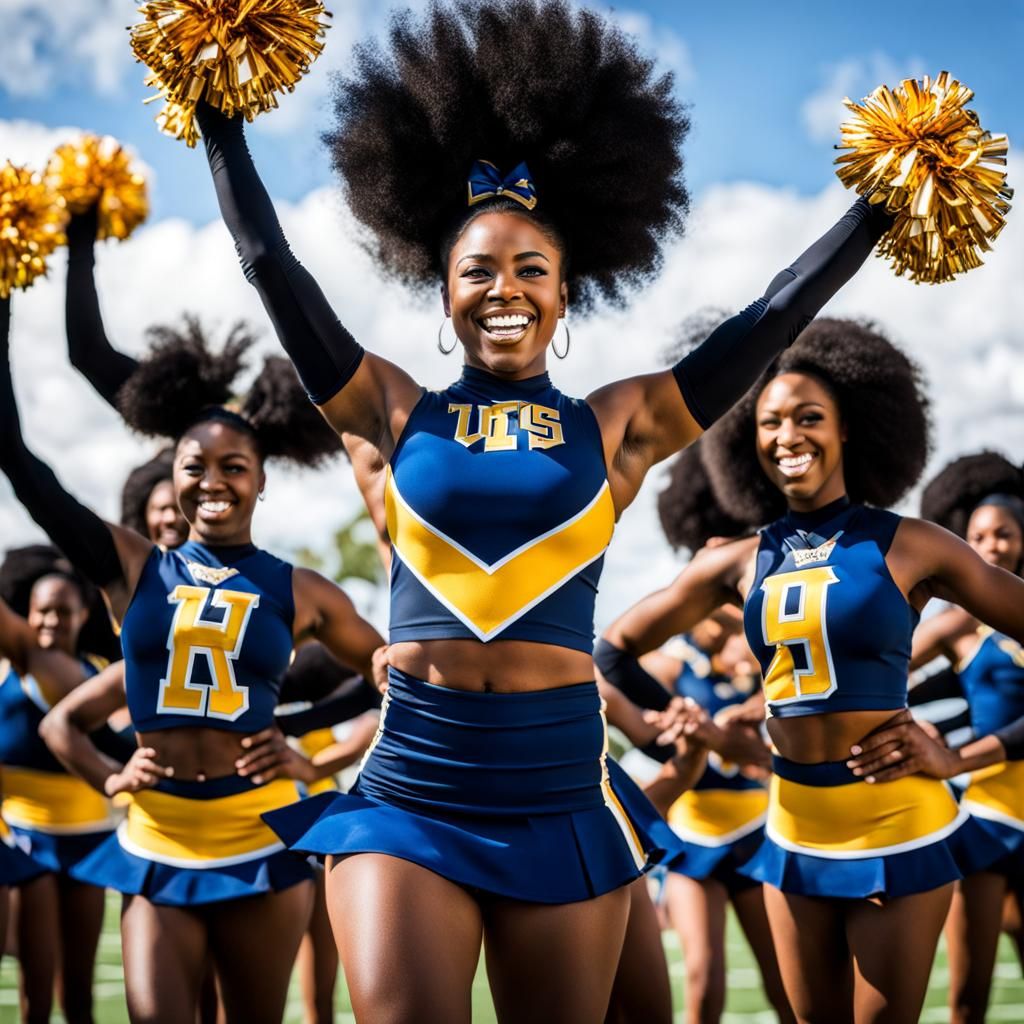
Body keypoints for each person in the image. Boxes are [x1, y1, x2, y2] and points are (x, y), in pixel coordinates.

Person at [193, 2, 898, 1016]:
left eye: (533, 269)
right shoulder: (384, 408)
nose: (504, 288)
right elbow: (271, 266)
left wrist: (876, 208)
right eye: (476, 269)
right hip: (415, 781)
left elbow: (772, 314)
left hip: (560, 785)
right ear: (442, 293)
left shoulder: (621, 422)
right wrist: (218, 115)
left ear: (568, 296)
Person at [0, 302, 384, 1023]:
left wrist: (314, 760)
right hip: (157, 840)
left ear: (261, 480)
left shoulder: (301, 589)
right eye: (194, 466)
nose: (214, 481)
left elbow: (394, 678)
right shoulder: (130, 567)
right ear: (169, 477)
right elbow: (20, 463)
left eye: (234, 467)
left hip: (260, 839)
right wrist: (111, 777)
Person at [637, 316, 1022, 1023]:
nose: (789, 436)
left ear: (851, 428)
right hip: (791, 831)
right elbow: (613, 648)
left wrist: (955, 756)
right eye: (770, 422)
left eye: (810, 417)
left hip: (901, 824)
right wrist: (662, 732)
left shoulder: (914, 546)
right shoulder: (736, 559)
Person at [596, 440, 790, 1024]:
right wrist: (683, 733)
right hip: (692, 839)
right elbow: (619, 697)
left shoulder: (761, 661)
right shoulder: (667, 667)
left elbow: (769, 759)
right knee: (703, 982)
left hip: (756, 830)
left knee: (786, 984)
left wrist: (722, 729)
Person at [870, 452, 1024, 1024]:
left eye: (1004, 534)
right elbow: (879, 665)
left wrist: (954, 758)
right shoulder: (961, 621)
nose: (991, 546)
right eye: (978, 535)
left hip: (991, 790)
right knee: (967, 999)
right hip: (987, 822)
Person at [0, 550, 113, 1024]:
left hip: (92, 841)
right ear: (27, 615)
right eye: (42, 610)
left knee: (81, 993)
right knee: (37, 990)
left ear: (83, 615)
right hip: (30, 841)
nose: (52, 620)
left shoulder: (102, 673)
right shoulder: (17, 666)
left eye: (64, 611)